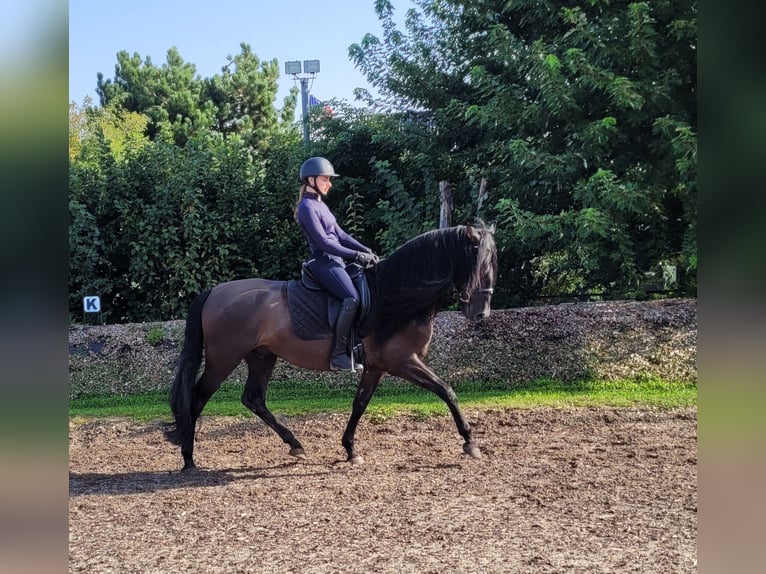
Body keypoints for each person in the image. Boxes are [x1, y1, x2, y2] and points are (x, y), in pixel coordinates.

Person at [294, 157, 378, 371]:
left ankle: (358, 347)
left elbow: (340, 234)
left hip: (336, 259)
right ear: (311, 180)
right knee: (351, 298)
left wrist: (365, 250)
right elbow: (324, 242)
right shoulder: (307, 207)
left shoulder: (321, 205)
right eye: (325, 179)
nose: (329, 183)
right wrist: (355, 256)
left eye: (330, 180)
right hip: (322, 261)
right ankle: (339, 355)